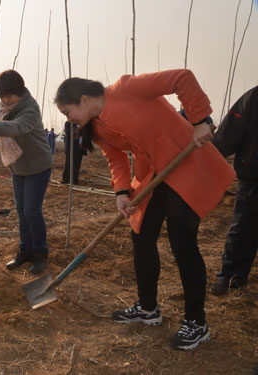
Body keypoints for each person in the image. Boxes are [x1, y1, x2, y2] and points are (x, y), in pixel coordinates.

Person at [55, 69, 235, 350]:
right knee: (141, 237)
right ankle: (148, 308)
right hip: (153, 177)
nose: (68, 119)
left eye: (67, 111)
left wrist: (200, 120)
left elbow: (182, 79)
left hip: (183, 164)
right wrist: (121, 192)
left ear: (83, 98)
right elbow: (115, 158)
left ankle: (196, 323)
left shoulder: (127, 88)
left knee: (182, 241)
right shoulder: (97, 127)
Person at [0, 70, 53, 274]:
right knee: (21, 211)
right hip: (18, 165)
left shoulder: (30, 109)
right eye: (1, 96)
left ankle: (40, 253)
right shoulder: (7, 106)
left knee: (32, 211)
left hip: (37, 166)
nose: (4, 101)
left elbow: (17, 126)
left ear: (19, 92)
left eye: (8, 96)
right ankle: (25, 250)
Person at [209, 86, 258, 295]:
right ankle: (230, 279)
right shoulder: (254, 97)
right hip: (253, 178)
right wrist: (209, 159)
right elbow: (229, 132)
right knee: (243, 230)